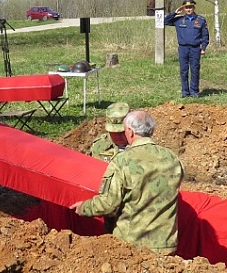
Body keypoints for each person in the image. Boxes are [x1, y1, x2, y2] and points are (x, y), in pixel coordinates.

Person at [70, 109, 184, 255]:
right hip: (165, 245)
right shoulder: (172, 158)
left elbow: (108, 204)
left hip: (132, 247)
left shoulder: (122, 161)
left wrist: (85, 207)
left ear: (129, 132)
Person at [164, 0, 209, 98]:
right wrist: (175, 13)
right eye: (186, 8)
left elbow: (205, 35)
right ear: (184, 9)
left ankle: (194, 92)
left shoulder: (200, 20)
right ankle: (185, 92)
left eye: (190, 7)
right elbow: (165, 22)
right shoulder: (179, 20)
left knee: (194, 70)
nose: (188, 9)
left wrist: (203, 48)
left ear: (194, 7)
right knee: (183, 71)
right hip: (183, 49)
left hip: (195, 49)